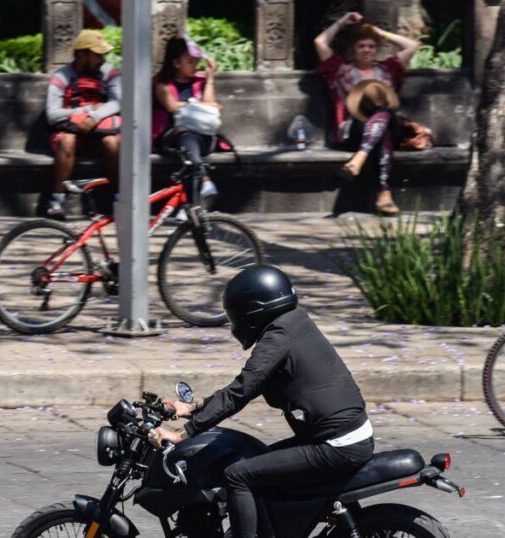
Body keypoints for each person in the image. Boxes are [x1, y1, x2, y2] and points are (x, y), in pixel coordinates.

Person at [150, 266, 373, 538]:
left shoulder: (277, 338)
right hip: (338, 436)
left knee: (237, 475)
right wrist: (193, 407)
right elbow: (245, 387)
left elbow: (241, 391)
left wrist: (182, 434)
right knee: (254, 460)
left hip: (336, 445)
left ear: (252, 311)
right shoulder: (293, 323)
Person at [315, 11, 421, 216]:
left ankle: (359, 158)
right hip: (355, 128)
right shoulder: (341, 70)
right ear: (353, 50)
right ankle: (384, 193)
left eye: (371, 46)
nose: (366, 50)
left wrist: (381, 33)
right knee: (383, 133)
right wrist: (342, 21)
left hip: (387, 125)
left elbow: (412, 45)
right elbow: (320, 42)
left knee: (384, 112)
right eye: (361, 46)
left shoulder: (388, 69)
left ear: (377, 49)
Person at [44, 30, 122, 220]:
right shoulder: (61, 77)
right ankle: (57, 201)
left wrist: (93, 118)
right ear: (82, 55)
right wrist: (84, 112)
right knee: (67, 141)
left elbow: (118, 102)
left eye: (103, 55)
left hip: (101, 131)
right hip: (72, 131)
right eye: (97, 55)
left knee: (112, 143)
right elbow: (51, 114)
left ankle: (120, 198)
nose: (102, 60)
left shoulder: (110, 74)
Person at [152, 36, 221, 211]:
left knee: (189, 148)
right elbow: (172, 107)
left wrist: (210, 78)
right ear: (176, 63)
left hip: (202, 138)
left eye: (196, 62)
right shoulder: (162, 84)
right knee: (184, 135)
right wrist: (198, 105)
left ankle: (188, 208)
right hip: (170, 138)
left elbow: (212, 108)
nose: (195, 66)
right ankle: (203, 182)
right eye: (190, 62)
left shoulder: (200, 81)